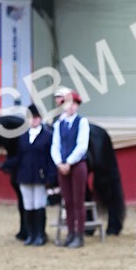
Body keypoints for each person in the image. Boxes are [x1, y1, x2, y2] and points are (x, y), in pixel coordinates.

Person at [51, 87, 90, 248]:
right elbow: (55, 145)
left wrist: (69, 162)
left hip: (78, 165)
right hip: (63, 167)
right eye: (69, 103)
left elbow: (82, 146)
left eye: (74, 103)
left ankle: (79, 234)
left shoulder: (82, 122)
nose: (71, 106)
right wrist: (59, 162)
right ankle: (70, 233)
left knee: (78, 201)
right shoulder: (59, 124)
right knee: (67, 201)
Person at [15, 104, 56, 246]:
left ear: (40, 119)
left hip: (40, 175)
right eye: (31, 118)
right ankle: (31, 234)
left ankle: (40, 234)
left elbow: (51, 158)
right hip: (25, 175)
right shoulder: (23, 137)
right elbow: (19, 157)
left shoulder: (48, 136)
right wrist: (6, 165)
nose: (34, 120)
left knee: (39, 205)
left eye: (36, 118)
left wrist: (51, 176)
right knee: (28, 206)